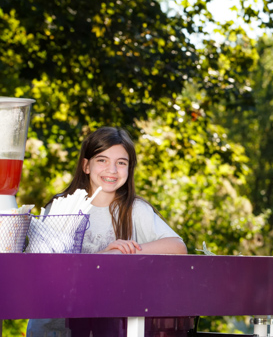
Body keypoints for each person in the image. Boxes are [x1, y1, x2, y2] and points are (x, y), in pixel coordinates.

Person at [27, 126, 187, 336]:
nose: (112, 170)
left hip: (107, 327)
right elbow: (45, 273)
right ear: (86, 165)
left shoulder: (135, 210)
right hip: (53, 328)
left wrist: (123, 251)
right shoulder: (61, 208)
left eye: (121, 163)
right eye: (102, 160)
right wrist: (102, 257)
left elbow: (177, 246)